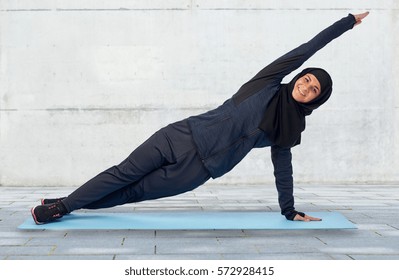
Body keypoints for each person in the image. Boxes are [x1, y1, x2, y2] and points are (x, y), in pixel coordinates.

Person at [31, 12, 369, 225]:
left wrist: (289, 210)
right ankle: (62, 206)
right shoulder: (266, 82)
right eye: (307, 79)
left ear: (317, 100)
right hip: (181, 135)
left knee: (131, 194)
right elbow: (306, 49)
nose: (306, 86)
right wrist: (346, 23)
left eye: (314, 89)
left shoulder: (291, 128)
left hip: (197, 170)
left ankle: (64, 203)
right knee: (123, 174)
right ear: (299, 76)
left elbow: (283, 167)